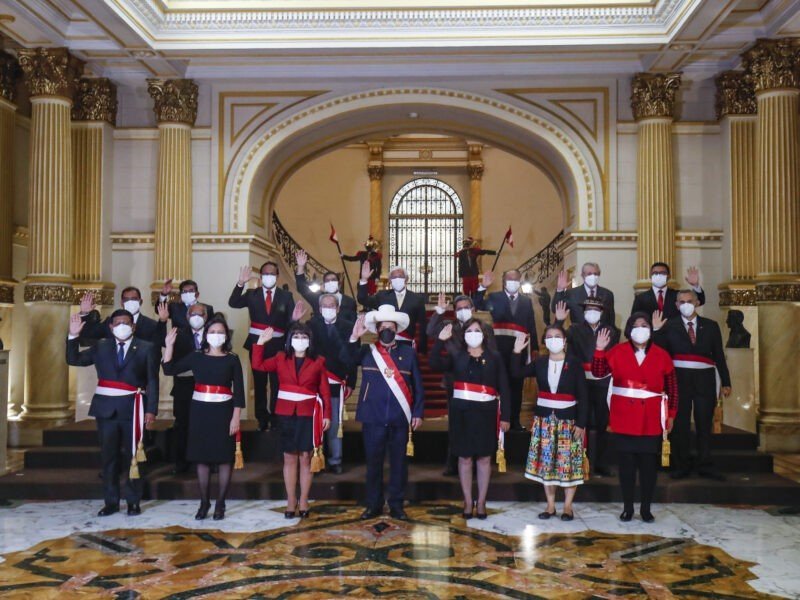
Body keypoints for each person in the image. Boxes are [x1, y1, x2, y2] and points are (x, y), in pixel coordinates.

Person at [66, 309, 159, 517]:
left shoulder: (146, 348)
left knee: (135, 458)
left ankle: (133, 501)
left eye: (126, 322)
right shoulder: (101, 346)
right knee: (109, 458)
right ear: (110, 327)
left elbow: (153, 380)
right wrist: (73, 336)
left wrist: (151, 410)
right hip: (106, 410)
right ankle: (111, 502)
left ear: (133, 326)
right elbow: (74, 359)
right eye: (117, 323)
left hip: (134, 409)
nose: (122, 326)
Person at [592, 313, 679, 523]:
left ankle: (646, 508)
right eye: (636, 325)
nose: (640, 329)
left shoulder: (661, 354)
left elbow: (672, 388)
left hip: (651, 417)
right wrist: (599, 349)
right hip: (624, 417)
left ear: (650, 329)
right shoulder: (618, 351)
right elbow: (598, 372)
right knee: (626, 467)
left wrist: (672, 414)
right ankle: (628, 507)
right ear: (629, 330)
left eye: (644, 325)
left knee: (649, 467)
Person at [343, 305, 424, 520]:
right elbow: (346, 360)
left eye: (390, 327)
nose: (386, 330)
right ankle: (373, 504)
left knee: (399, 464)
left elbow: (418, 385)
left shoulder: (408, 353)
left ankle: (397, 504)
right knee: (373, 463)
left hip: (400, 417)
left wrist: (418, 412)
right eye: (382, 327)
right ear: (377, 330)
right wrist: (354, 338)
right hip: (373, 417)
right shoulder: (367, 351)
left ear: (396, 329)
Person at [163, 315, 245, 521]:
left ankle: (220, 503)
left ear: (226, 336)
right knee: (202, 457)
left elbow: (240, 392)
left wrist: (236, 418)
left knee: (225, 457)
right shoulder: (196, 356)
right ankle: (204, 501)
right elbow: (168, 369)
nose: (216, 335)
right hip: (200, 410)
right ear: (205, 335)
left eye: (220, 332)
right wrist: (169, 346)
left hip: (224, 410)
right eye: (212, 332)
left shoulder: (232, 359)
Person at [430, 318, 510, 519]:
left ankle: (481, 502)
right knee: (464, 458)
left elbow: (505, 388)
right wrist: (440, 341)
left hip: (486, 412)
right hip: (462, 412)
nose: (473, 334)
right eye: (469, 331)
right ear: (464, 335)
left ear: (484, 334)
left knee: (484, 458)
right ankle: (467, 501)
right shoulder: (457, 355)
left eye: (477, 330)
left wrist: (506, 416)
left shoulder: (495, 357)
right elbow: (434, 363)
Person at [251, 322, 331, 519]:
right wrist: (260, 343)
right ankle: (290, 500)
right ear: (289, 340)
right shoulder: (280, 358)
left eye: (304, 337)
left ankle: (303, 500)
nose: (300, 340)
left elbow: (325, 391)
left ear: (310, 341)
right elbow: (258, 365)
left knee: (305, 457)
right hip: (286, 413)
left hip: (308, 414)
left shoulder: (318, 361)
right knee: (289, 458)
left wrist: (327, 414)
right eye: (296, 336)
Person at [653, 290, 732, 481]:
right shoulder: (668, 326)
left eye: (689, 301)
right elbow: (659, 355)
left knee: (704, 423)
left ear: (697, 302)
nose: (686, 304)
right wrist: (656, 331)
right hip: (678, 380)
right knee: (680, 425)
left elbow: (719, 355)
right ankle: (682, 465)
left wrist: (726, 381)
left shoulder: (711, 326)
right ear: (677, 305)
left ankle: (705, 464)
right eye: (682, 302)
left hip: (705, 379)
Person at [512, 324, 588, 520]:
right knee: (548, 464)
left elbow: (584, 396)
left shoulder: (575, 363)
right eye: (549, 336)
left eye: (557, 336)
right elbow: (516, 373)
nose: (553, 339)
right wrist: (516, 352)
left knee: (568, 464)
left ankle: (568, 507)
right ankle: (550, 505)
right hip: (545, 420)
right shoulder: (540, 362)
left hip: (568, 422)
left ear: (564, 341)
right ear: (546, 341)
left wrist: (581, 423)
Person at [228, 262, 305, 431]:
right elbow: (233, 302)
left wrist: (295, 319)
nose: (268, 276)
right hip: (258, 345)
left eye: (272, 273)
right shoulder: (251, 294)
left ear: (277, 276)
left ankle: (277, 419)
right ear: (261, 276)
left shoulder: (286, 296)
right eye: (265, 273)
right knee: (260, 383)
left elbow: (291, 321)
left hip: (278, 345)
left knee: (277, 383)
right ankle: (262, 418)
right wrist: (240, 283)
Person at [555, 297, 620, 476]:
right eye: (588, 309)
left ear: (602, 312)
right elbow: (555, 336)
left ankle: (600, 463)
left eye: (596, 309)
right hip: (581, 381)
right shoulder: (574, 329)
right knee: (580, 422)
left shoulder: (611, 331)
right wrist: (559, 320)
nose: (592, 312)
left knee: (601, 424)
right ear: (584, 311)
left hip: (603, 382)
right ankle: (577, 459)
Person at [473, 269, 538, 430]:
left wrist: (535, 348)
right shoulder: (495, 297)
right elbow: (477, 303)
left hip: (520, 351)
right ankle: (497, 420)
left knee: (517, 387)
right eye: (510, 279)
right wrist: (482, 287)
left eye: (516, 279)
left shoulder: (526, 301)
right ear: (503, 281)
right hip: (499, 350)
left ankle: (515, 421)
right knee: (498, 385)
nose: (513, 281)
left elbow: (531, 326)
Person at [426, 292, 478, 476]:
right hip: (453, 382)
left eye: (466, 308)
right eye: (459, 309)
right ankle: (452, 463)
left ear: (472, 309)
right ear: (455, 311)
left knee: (474, 424)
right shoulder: (449, 326)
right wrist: (440, 310)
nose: (463, 311)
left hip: (477, 382)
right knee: (455, 425)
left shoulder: (482, 328)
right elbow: (430, 330)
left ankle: (473, 463)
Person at [307, 293, 356, 474]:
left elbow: (352, 357)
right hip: (314, 382)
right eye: (325, 305)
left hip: (337, 381)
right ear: (320, 309)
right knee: (316, 422)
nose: (328, 308)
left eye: (332, 305)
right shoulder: (310, 326)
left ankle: (335, 460)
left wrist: (351, 381)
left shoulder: (348, 327)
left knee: (334, 424)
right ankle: (316, 457)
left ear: (337, 308)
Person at [166, 302, 210, 474]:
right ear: (187, 316)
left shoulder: (213, 334)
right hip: (184, 386)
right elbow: (173, 363)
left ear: (206, 317)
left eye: (200, 314)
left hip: (206, 387)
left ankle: (208, 460)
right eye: (193, 314)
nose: (196, 317)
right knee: (182, 425)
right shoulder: (178, 335)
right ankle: (181, 462)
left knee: (206, 425)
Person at [357, 262, 427, 352]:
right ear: (390, 280)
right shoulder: (382, 295)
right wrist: (363, 280)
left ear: (406, 279)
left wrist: (422, 347)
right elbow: (363, 299)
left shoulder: (417, 299)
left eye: (400, 276)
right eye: (394, 277)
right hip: (385, 341)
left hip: (407, 343)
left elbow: (423, 325)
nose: (397, 279)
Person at [78, 288, 167, 346]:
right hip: (115, 372)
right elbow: (88, 335)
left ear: (140, 302)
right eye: (126, 299)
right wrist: (84, 313)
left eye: (134, 299)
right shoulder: (109, 322)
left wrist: (163, 321)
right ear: (121, 302)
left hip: (142, 373)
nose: (130, 302)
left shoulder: (151, 325)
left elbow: (162, 343)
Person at [295, 249, 358, 322]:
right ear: (324, 284)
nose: (330, 282)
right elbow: (301, 287)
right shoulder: (317, 298)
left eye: (333, 280)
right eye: (327, 280)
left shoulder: (350, 301)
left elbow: (353, 323)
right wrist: (300, 267)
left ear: (339, 283)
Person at [631, 263, 706, 319]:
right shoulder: (640, 298)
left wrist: (695, 285)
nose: (658, 275)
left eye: (662, 273)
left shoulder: (677, 295)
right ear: (650, 276)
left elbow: (700, 301)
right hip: (652, 337)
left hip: (674, 336)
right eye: (655, 273)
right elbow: (634, 319)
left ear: (668, 276)